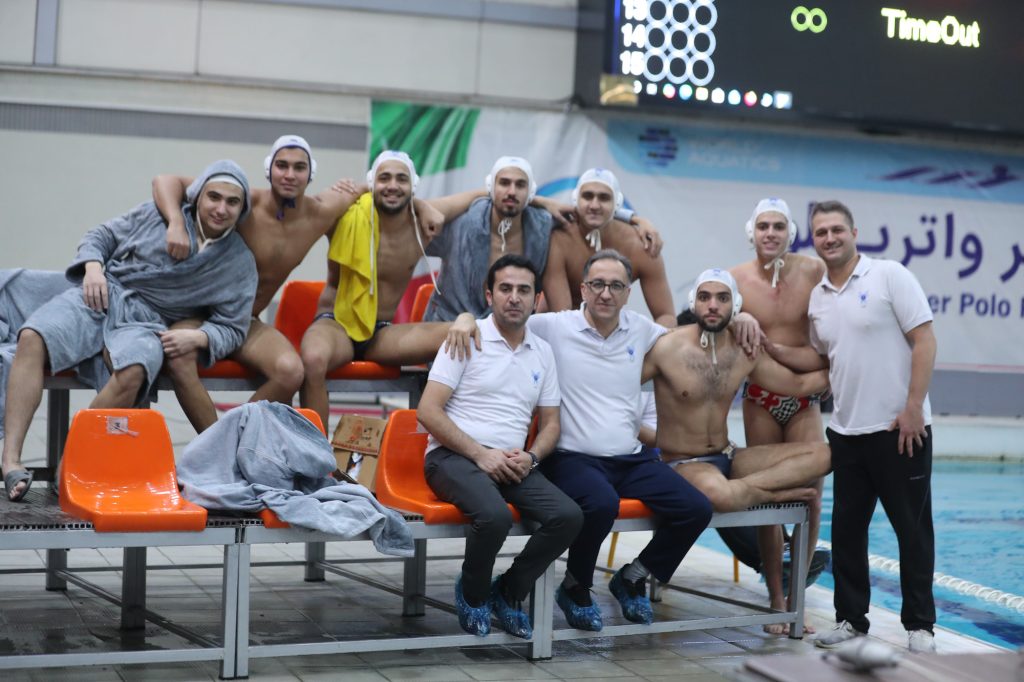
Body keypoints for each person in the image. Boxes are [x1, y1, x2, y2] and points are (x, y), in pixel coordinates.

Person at [3, 160, 258, 501]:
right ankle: (10, 460)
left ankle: (70, 463)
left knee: (135, 369)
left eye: (232, 202)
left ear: (242, 210)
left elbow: (233, 327)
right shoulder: (156, 216)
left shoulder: (239, 263)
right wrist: (94, 268)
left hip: (148, 323)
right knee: (32, 336)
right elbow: (101, 236)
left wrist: (200, 336)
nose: (221, 208)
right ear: (198, 196)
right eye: (214, 197)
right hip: (101, 296)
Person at [771, 201, 938, 653]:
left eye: (836, 230)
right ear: (814, 240)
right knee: (847, 532)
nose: (829, 238)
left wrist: (913, 407)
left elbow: (924, 339)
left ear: (854, 233)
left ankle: (920, 626)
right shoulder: (820, 298)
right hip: (846, 432)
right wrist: (771, 349)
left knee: (912, 531)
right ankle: (850, 620)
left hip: (899, 429)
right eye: (821, 232)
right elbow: (822, 356)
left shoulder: (889, 276)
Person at [527, 249, 712, 631]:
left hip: (631, 459)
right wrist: (465, 321)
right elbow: (498, 323)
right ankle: (575, 585)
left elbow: (696, 338)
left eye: (615, 286)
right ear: (583, 289)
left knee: (696, 508)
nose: (605, 293)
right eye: (597, 284)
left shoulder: (642, 329)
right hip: (571, 457)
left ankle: (632, 576)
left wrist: (742, 321)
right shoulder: (554, 326)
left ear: (628, 293)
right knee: (600, 503)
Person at [643, 269, 832, 632]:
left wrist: (847, 365)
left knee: (825, 455)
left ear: (736, 306)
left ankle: (764, 497)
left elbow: (797, 384)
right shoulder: (666, 347)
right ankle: (778, 496)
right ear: (693, 303)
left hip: (727, 457)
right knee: (720, 495)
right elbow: (614, 392)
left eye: (722, 298)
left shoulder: (743, 351)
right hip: (685, 463)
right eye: (705, 297)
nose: (713, 305)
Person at [151, 136, 368, 432]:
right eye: (282, 166)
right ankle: (216, 444)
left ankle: (231, 439)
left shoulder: (321, 212)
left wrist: (421, 207)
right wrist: (176, 222)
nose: (289, 174)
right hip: (199, 315)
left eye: (299, 167)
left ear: (310, 174)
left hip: (243, 321)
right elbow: (166, 181)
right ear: (269, 169)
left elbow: (384, 185)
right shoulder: (244, 203)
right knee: (178, 356)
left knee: (291, 371)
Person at [417, 254, 582, 638]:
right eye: (505, 288)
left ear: (537, 299)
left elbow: (551, 423)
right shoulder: (466, 337)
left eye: (523, 290)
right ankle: (473, 595)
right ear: (489, 295)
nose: (514, 297)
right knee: (494, 516)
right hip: (452, 456)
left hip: (510, 461)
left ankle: (508, 591)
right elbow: (427, 410)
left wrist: (532, 456)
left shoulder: (542, 351)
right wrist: (480, 454)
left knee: (568, 516)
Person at [299, 150, 477, 429]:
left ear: (413, 185)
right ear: (372, 182)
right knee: (312, 359)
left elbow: (478, 195)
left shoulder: (420, 222)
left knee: (466, 336)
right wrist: (359, 188)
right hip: (335, 325)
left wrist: (538, 201)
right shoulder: (346, 212)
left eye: (401, 179)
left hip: (380, 333)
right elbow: (313, 205)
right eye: (384, 178)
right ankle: (314, 450)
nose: (393, 185)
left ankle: (455, 433)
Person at [729, 198, 828, 634]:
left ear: (791, 233)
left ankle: (796, 600)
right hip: (761, 398)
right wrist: (738, 317)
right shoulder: (735, 280)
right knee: (768, 497)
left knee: (812, 494)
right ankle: (775, 599)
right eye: (763, 226)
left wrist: (831, 371)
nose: (770, 233)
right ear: (751, 232)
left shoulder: (814, 272)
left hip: (805, 399)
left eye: (779, 226)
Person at [423, 157, 664, 323]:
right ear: (490, 187)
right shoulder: (462, 224)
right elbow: (421, 215)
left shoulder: (543, 226)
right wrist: (485, 194)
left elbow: (590, 213)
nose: (511, 191)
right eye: (503, 183)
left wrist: (636, 219)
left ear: (530, 191)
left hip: (510, 334)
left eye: (520, 185)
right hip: (452, 325)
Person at [542, 168, 676, 327]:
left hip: (610, 328)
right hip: (561, 326)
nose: (594, 205)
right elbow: (562, 318)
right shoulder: (559, 239)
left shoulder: (640, 245)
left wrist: (652, 343)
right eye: (587, 196)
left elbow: (665, 315)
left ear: (616, 203)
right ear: (575, 199)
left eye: (604, 198)